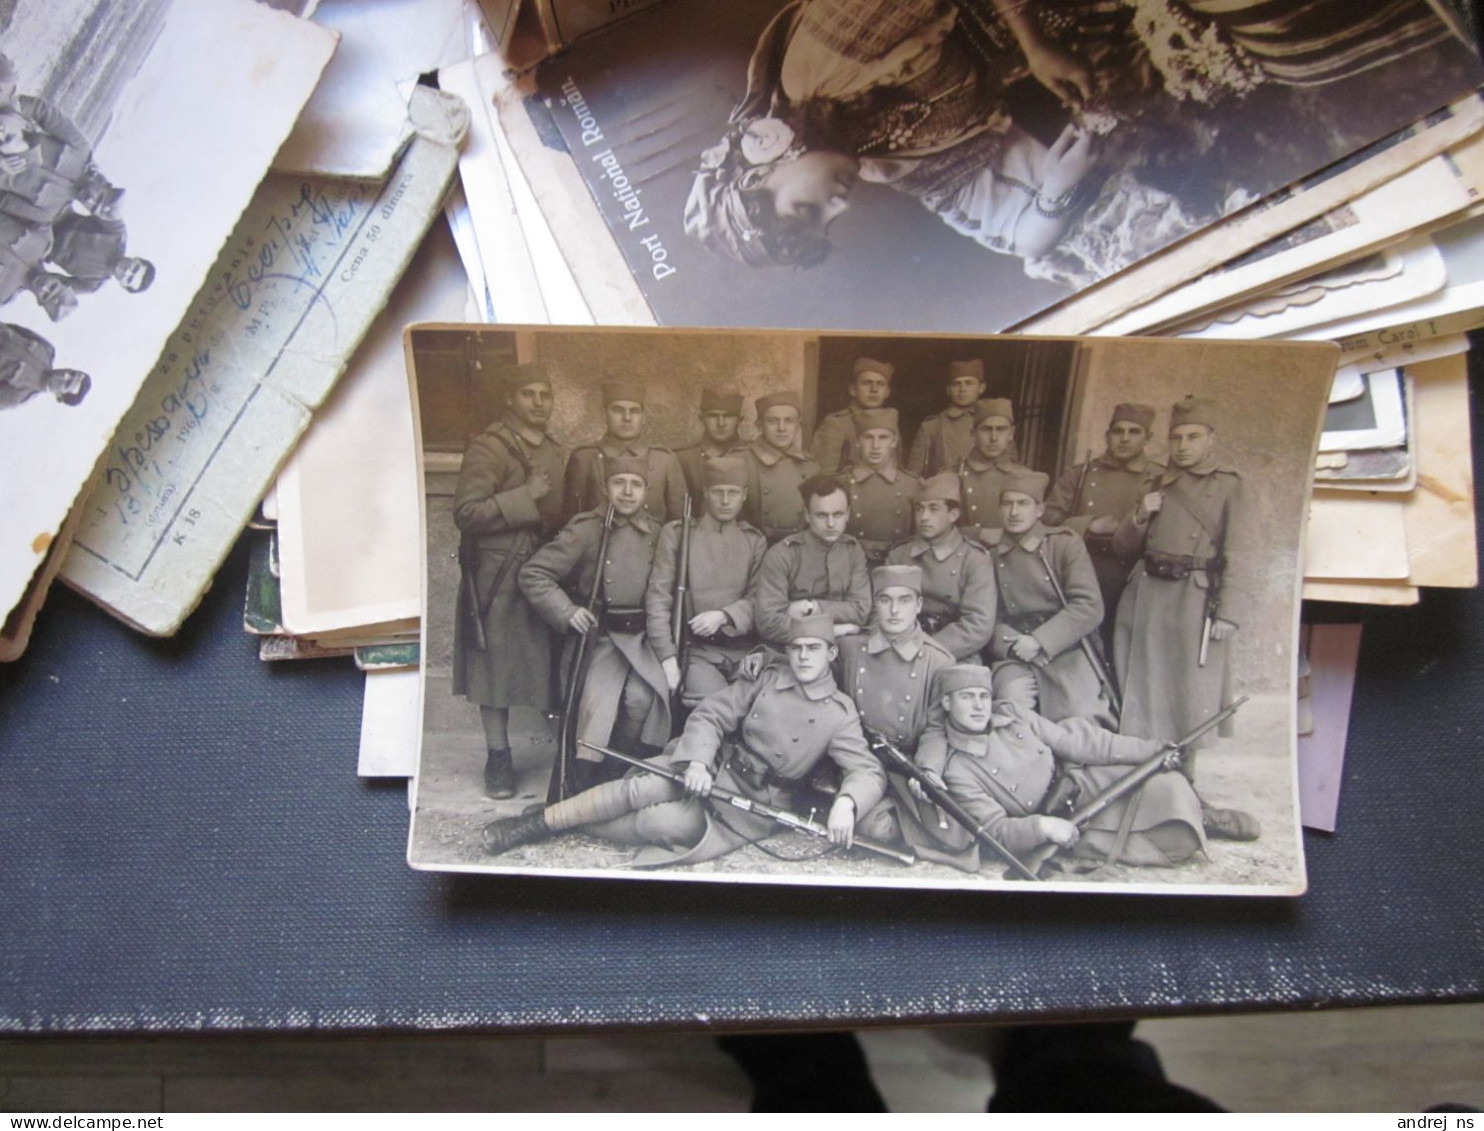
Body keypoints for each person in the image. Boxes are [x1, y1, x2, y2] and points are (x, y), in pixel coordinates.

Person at [683, 0, 1465, 288]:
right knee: (1292, 62)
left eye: (804, 206)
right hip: (1078, 26)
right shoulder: (882, 158)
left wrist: (1028, 38)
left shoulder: (828, 49)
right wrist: (1061, 184)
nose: (835, 206)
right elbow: (1017, 232)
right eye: (824, 225)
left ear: (768, 154)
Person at [479, 613, 890, 867]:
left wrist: (848, 804)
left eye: (814, 648)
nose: (802, 656)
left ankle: (574, 821)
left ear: (831, 654)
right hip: (716, 766)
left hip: (756, 805)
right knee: (642, 787)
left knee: (663, 822)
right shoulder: (766, 680)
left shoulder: (840, 713)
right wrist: (695, 762)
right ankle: (542, 823)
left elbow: (866, 769)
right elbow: (711, 714)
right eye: (797, 647)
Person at [1111, 396, 1258, 840]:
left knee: (1186, 698)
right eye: (1176, 437)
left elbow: (1243, 553)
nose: (1183, 445)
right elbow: (1122, 547)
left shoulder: (1231, 486)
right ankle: (1140, 786)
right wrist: (1140, 514)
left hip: (1192, 602)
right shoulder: (1156, 482)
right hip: (1146, 597)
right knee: (1138, 692)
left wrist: (1229, 612)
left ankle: (1184, 788)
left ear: (1211, 440)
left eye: (1193, 437)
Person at [913, 663, 1206, 871]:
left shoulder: (1011, 714)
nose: (979, 707)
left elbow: (1076, 743)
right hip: (1062, 816)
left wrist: (1153, 751)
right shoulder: (957, 769)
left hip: (1075, 781)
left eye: (983, 696)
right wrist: (1043, 827)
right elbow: (995, 831)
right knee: (1175, 842)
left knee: (1167, 781)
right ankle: (1197, 824)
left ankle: (1205, 817)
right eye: (967, 697)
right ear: (948, 703)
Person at [451, 364, 569, 799]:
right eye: (529, 395)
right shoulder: (490, 447)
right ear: (510, 399)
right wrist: (526, 496)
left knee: (552, 664)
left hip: (546, 570)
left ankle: (565, 757)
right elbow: (466, 513)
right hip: (497, 576)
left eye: (546, 395)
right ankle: (498, 758)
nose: (539, 403)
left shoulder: (554, 450)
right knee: (494, 671)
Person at [520, 455, 670, 793]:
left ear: (647, 490)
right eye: (619, 483)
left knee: (642, 700)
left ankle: (615, 777)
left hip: (643, 639)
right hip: (600, 638)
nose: (627, 492)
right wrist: (567, 610)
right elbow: (534, 573)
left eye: (636, 485)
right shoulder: (586, 528)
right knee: (595, 712)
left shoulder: (660, 533)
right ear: (605, 487)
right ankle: (582, 786)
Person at [984, 470, 1112, 727]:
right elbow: (985, 613)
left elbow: (1089, 605)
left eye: (1023, 504)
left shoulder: (1063, 544)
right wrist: (1011, 644)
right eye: (1008, 503)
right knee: (1012, 711)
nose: (1014, 512)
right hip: (1015, 652)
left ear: (1040, 509)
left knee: (1083, 717)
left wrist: (1041, 641)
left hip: (1066, 650)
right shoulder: (989, 552)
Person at [645, 455, 767, 709]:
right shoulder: (678, 534)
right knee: (717, 709)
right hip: (695, 653)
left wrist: (724, 616)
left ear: (744, 494)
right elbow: (658, 599)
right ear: (704, 492)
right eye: (717, 492)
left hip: (743, 651)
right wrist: (667, 658)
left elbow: (761, 598)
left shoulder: (754, 541)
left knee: (761, 709)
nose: (725, 500)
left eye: (732, 492)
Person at [1044, 402, 1164, 653]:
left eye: (1134, 432)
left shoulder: (1158, 479)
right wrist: (1089, 525)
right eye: (1118, 431)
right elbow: (1048, 519)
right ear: (1107, 435)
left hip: (1129, 576)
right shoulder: (1081, 474)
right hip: (1082, 570)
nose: (1124, 439)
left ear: (1148, 438)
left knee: (1121, 647)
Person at [886, 472, 997, 661]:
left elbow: (978, 624)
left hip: (954, 651)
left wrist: (926, 650)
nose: (924, 517)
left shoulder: (974, 559)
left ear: (953, 514)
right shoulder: (900, 555)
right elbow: (882, 609)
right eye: (919, 509)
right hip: (900, 647)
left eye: (934, 509)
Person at [752, 474, 871, 646]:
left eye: (838, 514)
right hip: (795, 649)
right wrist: (834, 630)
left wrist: (812, 607)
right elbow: (768, 623)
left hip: (845, 647)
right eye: (822, 515)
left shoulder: (853, 550)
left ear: (848, 514)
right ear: (807, 515)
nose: (831, 524)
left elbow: (861, 610)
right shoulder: (782, 554)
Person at [561, 380, 687, 523]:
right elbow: (571, 521)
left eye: (634, 411)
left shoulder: (665, 461)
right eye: (618, 410)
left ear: (644, 417)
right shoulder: (585, 459)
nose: (627, 418)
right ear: (604, 413)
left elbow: (678, 523)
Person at [736, 388, 819, 542]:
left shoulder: (811, 466)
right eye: (773, 421)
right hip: (752, 549)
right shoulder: (741, 462)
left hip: (797, 551)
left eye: (789, 420)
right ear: (759, 425)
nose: (782, 428)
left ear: (798, 425)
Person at [838, 406, 918, 565]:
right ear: (858, 441)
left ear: (894, 441)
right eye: (868, 437)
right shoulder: (841, 483)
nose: (875, 445)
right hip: (851, 564)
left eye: (883, 437)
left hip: (898, 565)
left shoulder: (913, 484)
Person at [32, 210, 154, 298]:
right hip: (55, 214)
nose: (127, 271)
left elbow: (56, 284)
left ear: (122, 285)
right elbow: (104, 205)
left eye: (129, 278)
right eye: (135, 268)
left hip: (38, 246)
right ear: (137, 259)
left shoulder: (93, 284)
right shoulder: (118, 232)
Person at [958, 397, 1033, 530]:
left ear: (1011, 434)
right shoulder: (955, 474)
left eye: (1001, 429)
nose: (993, 438)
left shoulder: (1026, 477)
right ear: (973, 434)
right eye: (986, 429)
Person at [810, 355, 893, 475]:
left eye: (880, 384)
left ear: (887, 392)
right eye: (866, 383)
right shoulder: (837, 423)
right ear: (853, 389)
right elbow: (823, 473)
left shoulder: (889, 424)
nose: (874, 390)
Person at [905, 360, 986, 478]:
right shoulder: (931, 426)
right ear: (948, 390)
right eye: (956, 384)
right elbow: (913, 475)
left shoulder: (993, 425)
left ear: (982, 387)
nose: (962, 389)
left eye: (969, 383)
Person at [675, 386, 744, 502]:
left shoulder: (750, 456)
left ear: (740, 420)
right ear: (701, 418)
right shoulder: (683, 460)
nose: (721, 423)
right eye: (713, 416)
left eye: (728, 416)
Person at [0, 320, 88, 410]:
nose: (65, 375)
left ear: (59, 396)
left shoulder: (21, 395)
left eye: (67, 383)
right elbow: (18, 330)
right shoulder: (48, 350)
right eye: (71, 373)